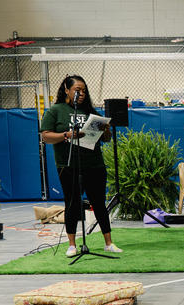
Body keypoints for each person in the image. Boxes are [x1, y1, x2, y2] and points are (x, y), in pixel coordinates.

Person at [40, 75, 122, 257]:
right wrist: (67, 135)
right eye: (77, 90)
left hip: (94, 164)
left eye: (84, 90)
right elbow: (45, 136)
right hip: (68, 165)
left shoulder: (91, 111)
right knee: (72, 204)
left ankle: (108, 243)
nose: (82, 93)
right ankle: (72, 245)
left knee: (99, 203)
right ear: (67, 90)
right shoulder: (56, 110)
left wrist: (106, 131)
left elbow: (106, 139)